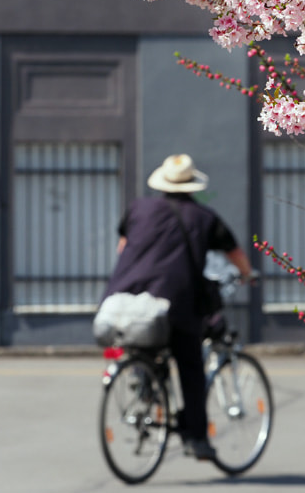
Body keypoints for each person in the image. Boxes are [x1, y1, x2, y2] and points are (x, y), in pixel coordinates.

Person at [102, 153, 254, 461]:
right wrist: (247, 275)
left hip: (124, 297)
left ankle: (144, 378)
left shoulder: (138, 209)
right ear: (192, 185)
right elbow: (234, 253)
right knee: (190, 365)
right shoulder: (203, 217)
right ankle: (196, 438)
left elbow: (122, 246)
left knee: (147, 344)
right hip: (173, 303)